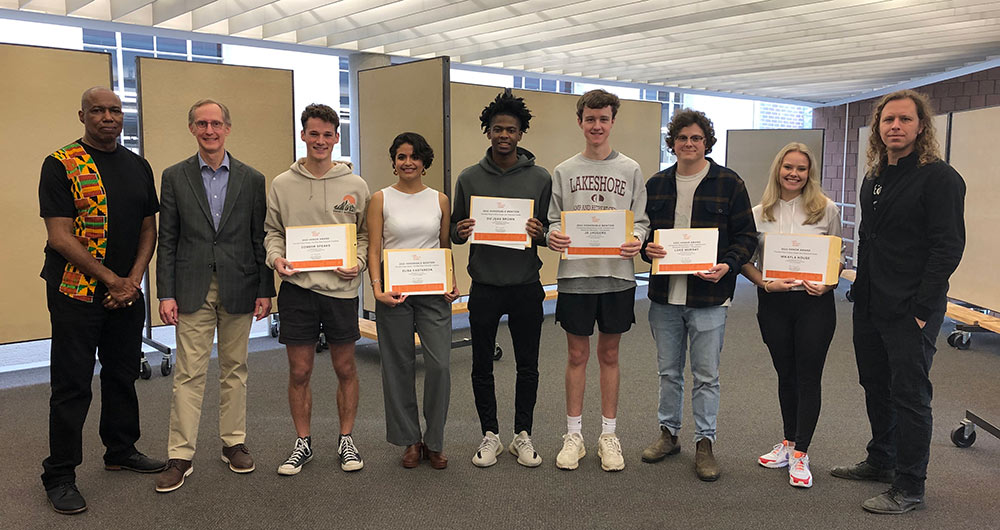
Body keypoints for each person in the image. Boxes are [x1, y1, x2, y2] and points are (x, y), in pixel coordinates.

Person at [832, 90, 965, 514]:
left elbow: (947, 248)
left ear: (920, 127)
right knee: (875, 385)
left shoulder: (940, 178)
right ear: (879, 128)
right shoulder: (875, 177)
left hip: (912, 309)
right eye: (888, 120)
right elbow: (870, 241)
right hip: (869, 302)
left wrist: (926, 311)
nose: (895, 126)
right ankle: (882, 460)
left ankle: (910, 487)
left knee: (910, 395)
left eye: (905, 120)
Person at [38, 86, 165, 514]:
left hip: (126, 290)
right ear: (82, 115)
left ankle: (120, 450)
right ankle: (59, 474)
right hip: (75, 292)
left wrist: (131, 280)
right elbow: (59, 236)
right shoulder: (60, 164)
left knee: (122, 374)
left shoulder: (137, 165)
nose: (108, 117)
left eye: (114, 110)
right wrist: (113, 281)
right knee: (72, 384)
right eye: (98, 110)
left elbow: (149, 228)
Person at [154, 99, 275, 493]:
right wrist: (165, 293)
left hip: (240, 284)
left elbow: (260, 238)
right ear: (192, 128)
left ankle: (233, 444)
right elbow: (167, 240)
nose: (210, 130)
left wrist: (265, 290)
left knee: (234, 369)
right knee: (189, 373)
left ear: (227, 128)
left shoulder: (252, 178)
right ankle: (180, 455)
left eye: (216, 123)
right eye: (202, 123)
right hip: (191, 288)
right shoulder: (174, 177)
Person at [639, 109, 756, 482]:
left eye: (696, 138)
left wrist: (729, 265)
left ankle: (705, 442)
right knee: (668, 372)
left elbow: (746, 237)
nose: (689, 144)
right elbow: (642, 236)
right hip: (664, 297)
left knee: (706, 375)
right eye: (682, 138)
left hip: (710, 296)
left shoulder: (729, 182)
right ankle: (668, 434)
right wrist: (646, 250)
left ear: (707, 142)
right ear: (671, 143)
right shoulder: (656, 183)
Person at [546, 89, 649, 472]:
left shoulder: (631, 169)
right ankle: (574, 435)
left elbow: (640, 219)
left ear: (612, 121)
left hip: (618, 277)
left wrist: (637, 239)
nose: (597, 125)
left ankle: (609, 434)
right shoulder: (564, 170)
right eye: (590, 119)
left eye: (603, 119)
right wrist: (554, 235)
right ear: (580, 122)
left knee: (609, 355)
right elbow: (554, 218)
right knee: (576, 355)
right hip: (575, 276)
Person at [264, 103, 369, 475]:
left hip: (340, 291)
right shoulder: (282, 183)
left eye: (328, 134)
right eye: (314, 133)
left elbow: (365, 235)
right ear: (303, 135)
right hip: (297, 290)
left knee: (345, 368)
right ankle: (303, 443)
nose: (320, 140)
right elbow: (272, 232)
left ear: (337, 138)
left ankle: (346, 439)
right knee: (299, 372)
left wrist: (359, 262)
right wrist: (276, 259)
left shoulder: (355, 185)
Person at [451, 90, 552, 468]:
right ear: (488, 132)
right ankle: (490, 434)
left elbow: (550, 232)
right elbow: (455, 230)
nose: (503, 135)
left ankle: (522, 435)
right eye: (497, 129)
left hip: (526, 284)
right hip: (486, 286)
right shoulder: (469, 177)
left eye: (511, 129)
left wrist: (539, 231)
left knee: (529, 365)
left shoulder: (540, 178)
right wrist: (461, 231)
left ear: (521, 133)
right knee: (482, 364)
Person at [740, 143, 842, 489]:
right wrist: (764, 283)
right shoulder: (758, 213)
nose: (794, 174)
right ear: (778, 170)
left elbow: (837, 258)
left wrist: (828, 284)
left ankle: (802, 452)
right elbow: (745, 260)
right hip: (774, 304)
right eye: (788, 167)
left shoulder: (826, 210)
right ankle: (788, 441)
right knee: (786, 374)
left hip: (814, 304)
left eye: (801, 168)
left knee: (808, 375)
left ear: (809, 173)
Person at [367, 132, 460, 470]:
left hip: (434, 294)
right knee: (398, 367)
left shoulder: (440, 200)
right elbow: (374, 248)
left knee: (439, 366)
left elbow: (444, 246)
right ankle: (410, 439)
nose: (408, 162)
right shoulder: (380, 199)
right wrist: (376, 289)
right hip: (394, 294)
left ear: (425, 162)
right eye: (401, 156)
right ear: (393, 161)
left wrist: (453, 280)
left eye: (414, 157)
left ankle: (434, 440)